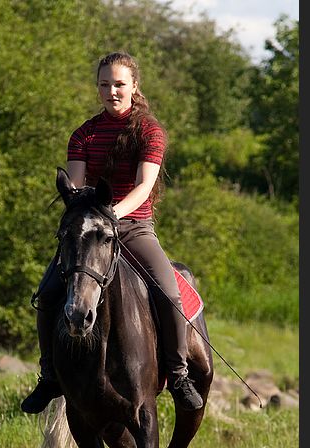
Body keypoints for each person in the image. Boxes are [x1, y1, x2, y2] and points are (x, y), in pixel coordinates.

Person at [21, 52, 203, 414]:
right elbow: (74, 185)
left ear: (134, 86)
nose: (111, 91)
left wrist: (111, 215)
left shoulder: (149, 131)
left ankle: (179, 374)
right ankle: (49, 376)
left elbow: (143, 187)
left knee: (169, 292)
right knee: (48, 293)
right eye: (105, 84)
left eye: (119, 84)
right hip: (90, 231)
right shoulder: (84, 134)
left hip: (133, 225)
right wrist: (80, 208)